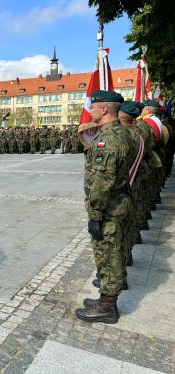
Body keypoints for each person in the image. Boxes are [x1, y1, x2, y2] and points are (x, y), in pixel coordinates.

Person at [75, 90, 134, 324]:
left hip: (109, 208)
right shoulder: (122, 132)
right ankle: (105, 299)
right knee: (113, 252)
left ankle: (108, 307)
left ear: (105, 110)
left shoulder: (106, 140)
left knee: (108, 255)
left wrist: (95, 215)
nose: (90, 111)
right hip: (119, 203)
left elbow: (102, 181)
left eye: (94, 107)